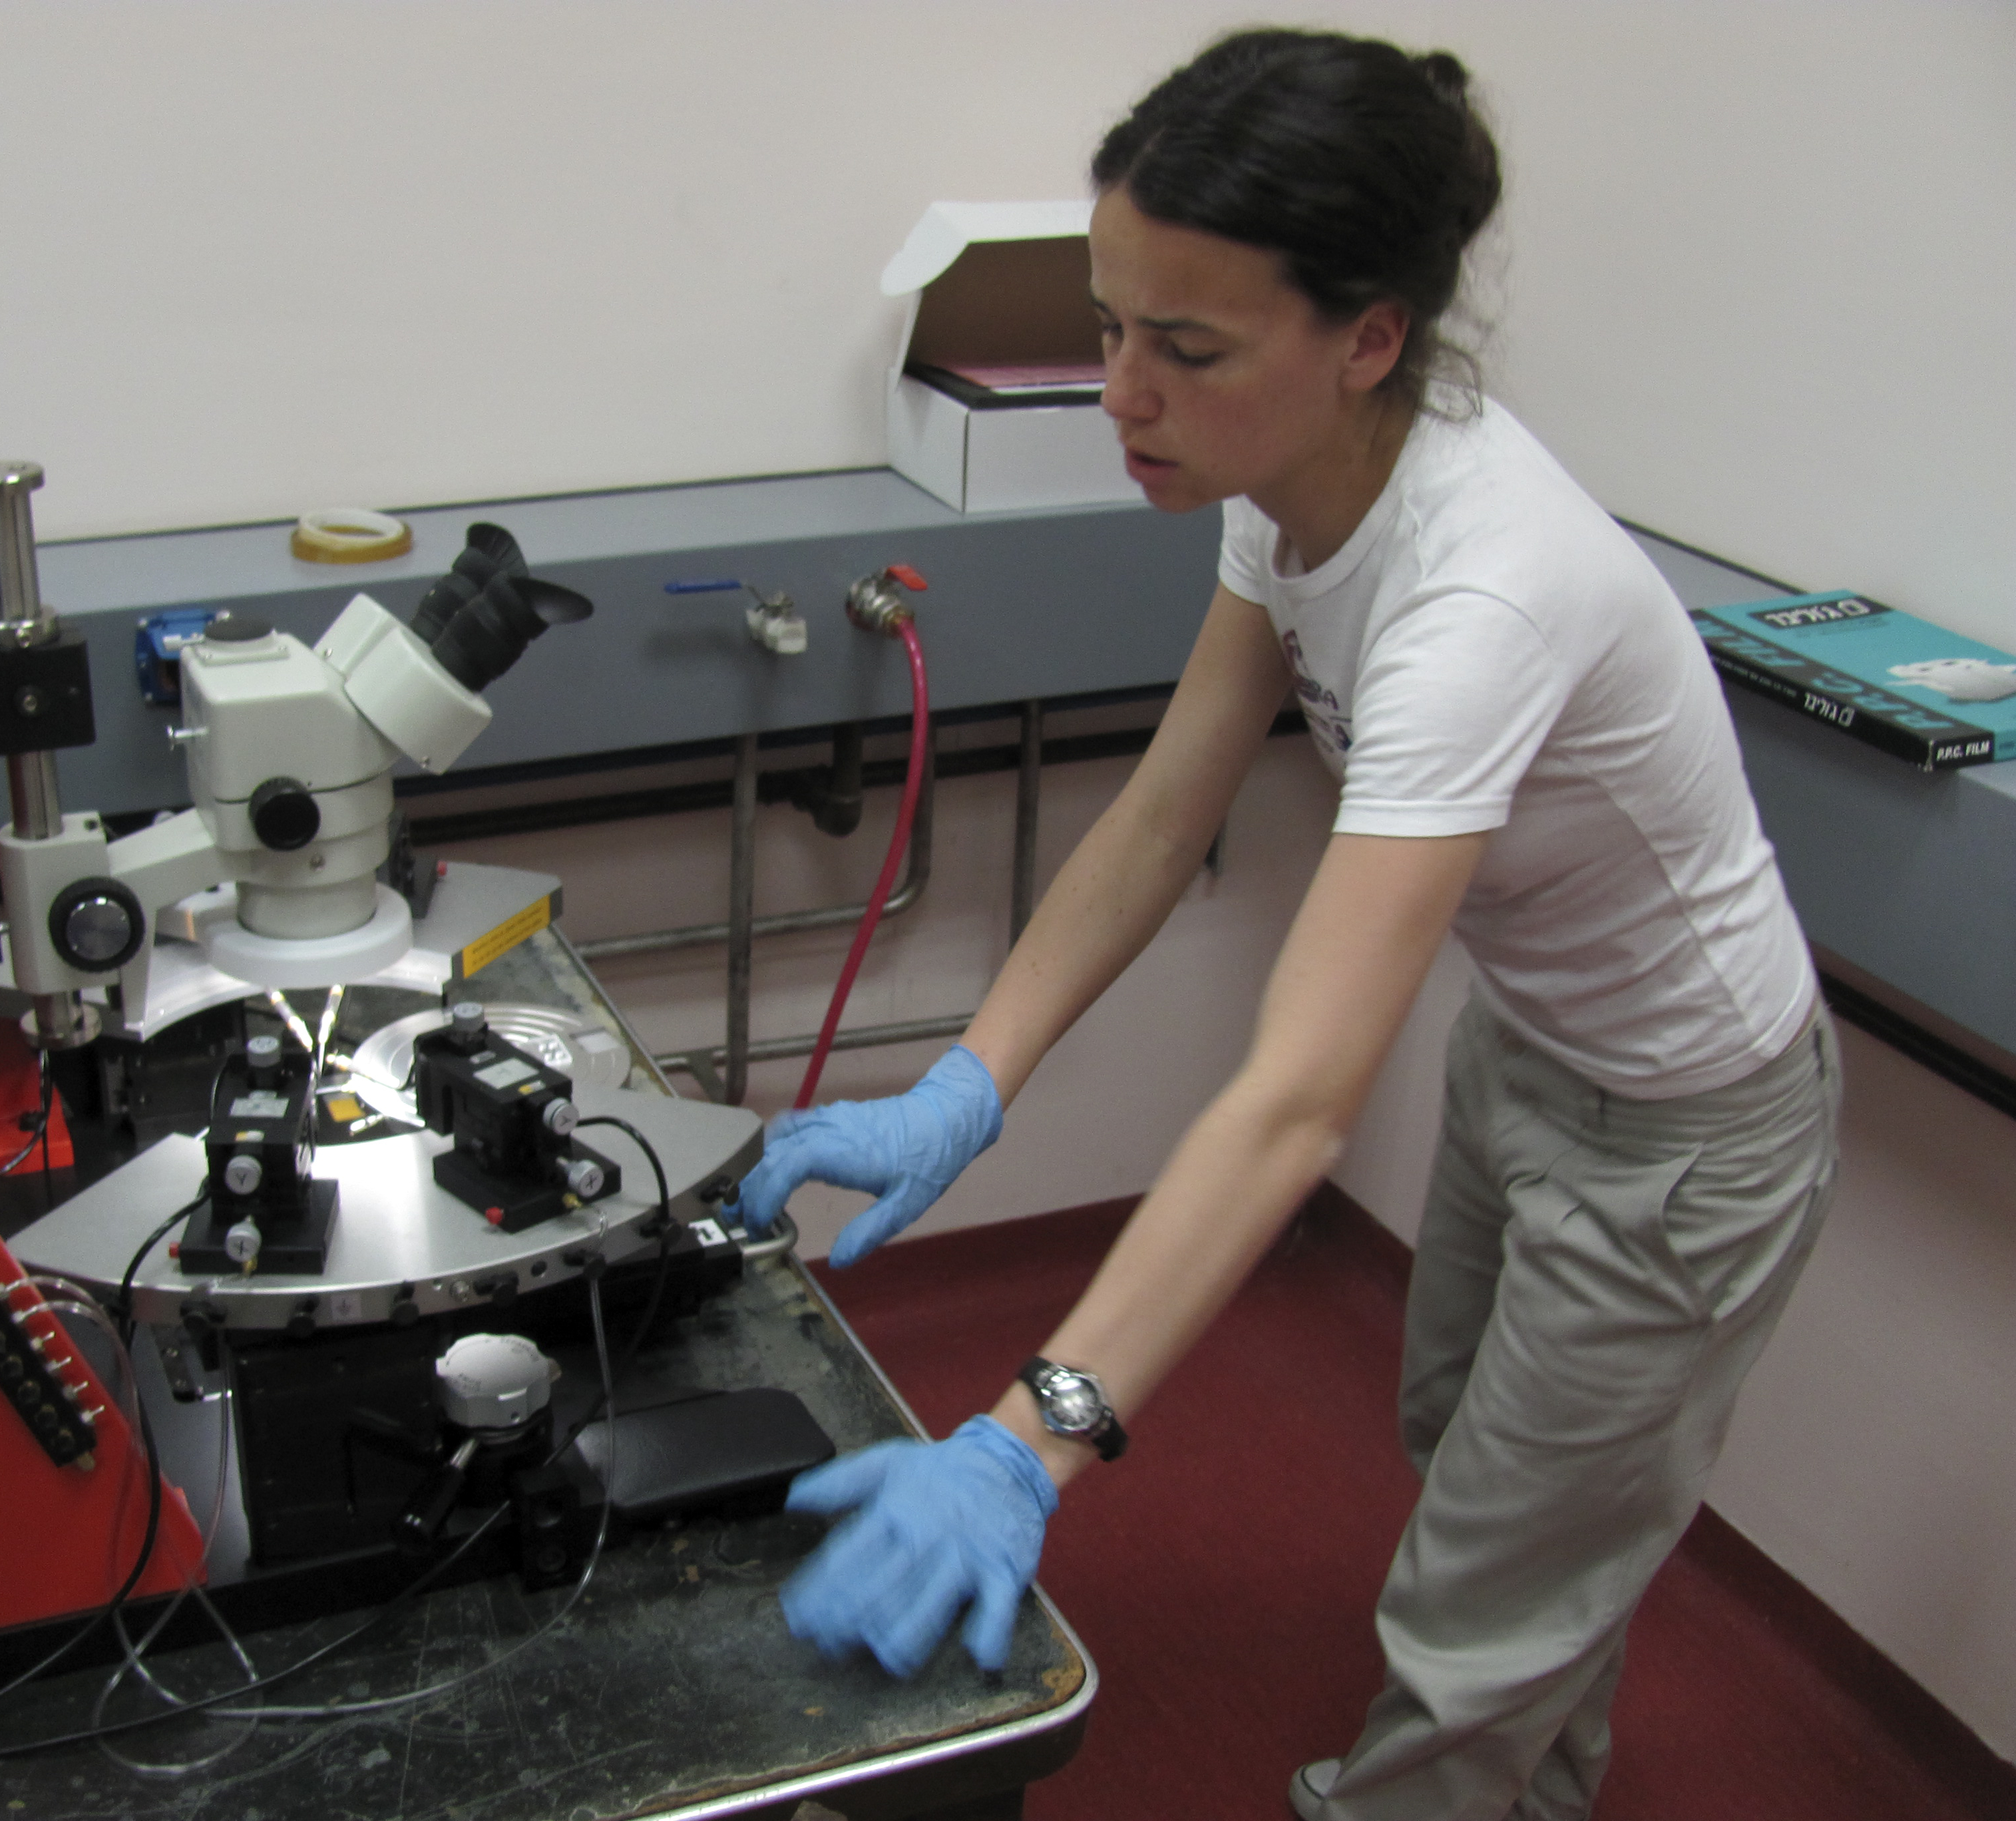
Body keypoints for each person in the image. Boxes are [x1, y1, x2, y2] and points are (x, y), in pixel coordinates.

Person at [735, 28, 1840, 1821]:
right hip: (1532, 1050)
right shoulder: (1298, 483)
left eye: (1187, 351)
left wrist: (1028, 1441)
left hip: (1691, 1128)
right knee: (1479, 1474)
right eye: (1109, 326)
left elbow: (1297, 1101)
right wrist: (967, 1083)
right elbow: (1164, 815)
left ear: (1369, 339)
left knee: (1482, 1598)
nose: (1123, 394)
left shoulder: (1482, 595)